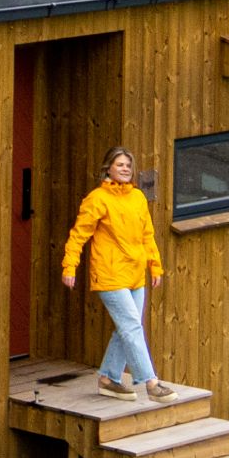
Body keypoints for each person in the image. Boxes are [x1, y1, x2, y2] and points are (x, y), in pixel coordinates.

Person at [60, 147, 163, 396]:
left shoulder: (138, 197)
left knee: (127, 326)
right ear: (108, 168)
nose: (125, 168)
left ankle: (108, 378)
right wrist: (69, 265)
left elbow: (147, 235)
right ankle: (150, 382)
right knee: (131, 328)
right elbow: (78, 234)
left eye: (128, 165)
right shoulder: (97, 199)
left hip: (136, 273)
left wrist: (155, 265)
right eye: (120, 164)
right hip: (110, 273)